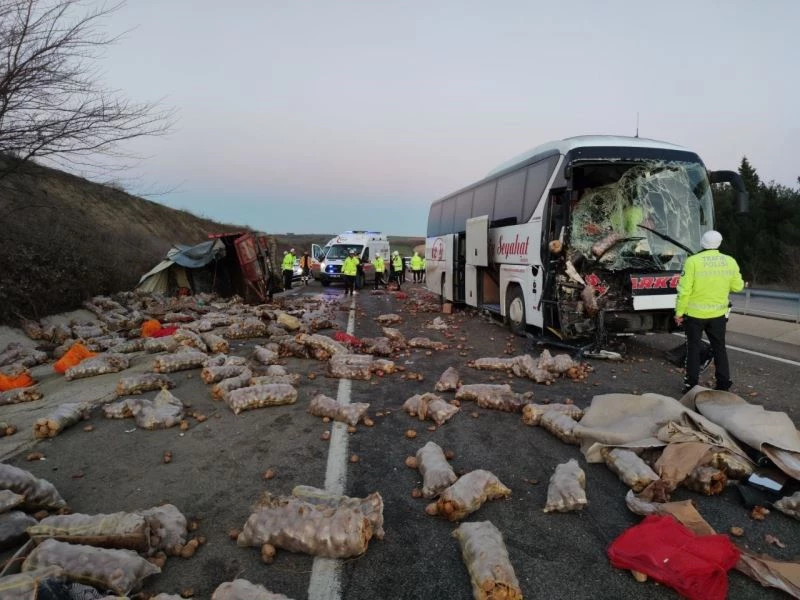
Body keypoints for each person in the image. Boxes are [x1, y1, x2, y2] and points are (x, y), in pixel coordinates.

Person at [674, 230, 744, 393]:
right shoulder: (730, 261)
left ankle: (691, 385)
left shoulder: (692, 261)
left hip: (694, 315)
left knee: (693, 349)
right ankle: (723, 384)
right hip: (718, 315)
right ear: (719, 243)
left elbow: (684, 291)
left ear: (702, 243)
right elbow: (737, 287)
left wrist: (679, 312)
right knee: (719, 348)